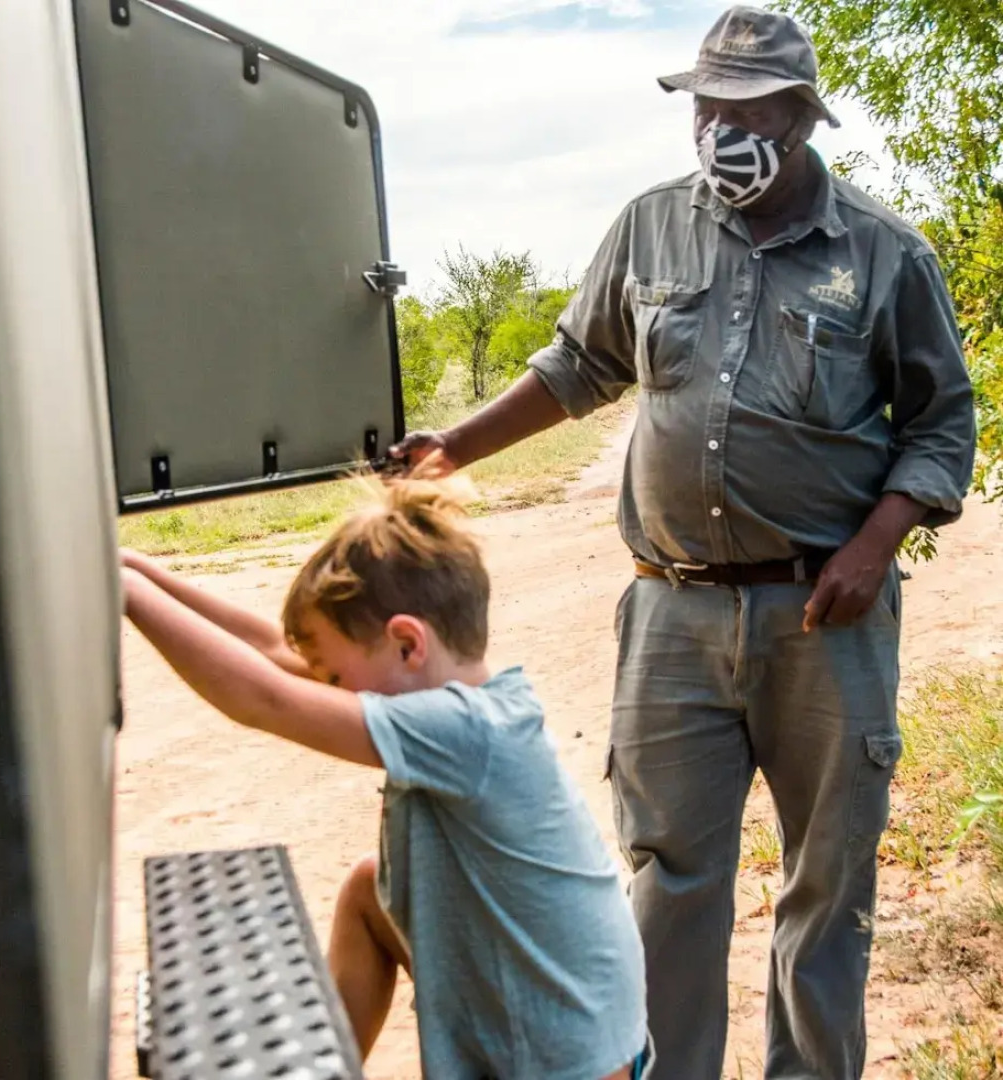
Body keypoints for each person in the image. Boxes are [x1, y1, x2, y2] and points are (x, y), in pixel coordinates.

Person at [390, 6, 976, 1078]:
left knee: (826, 883)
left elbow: (942, 424)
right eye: (704, 107)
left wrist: (875, 545)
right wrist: (454, 447)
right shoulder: (650, 225)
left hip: (824, 614)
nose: (718, 131)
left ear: (799, 118)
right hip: (671, 611)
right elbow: (578, 366)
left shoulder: (882, 252)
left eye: (744, 111)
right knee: (668, 880)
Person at [120, 476, 649, 1080]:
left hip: (566, 1057)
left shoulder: (467, 730)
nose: (328, 689)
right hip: (549, 1006)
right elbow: (272, 651)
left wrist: (129, 595)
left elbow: (264, 698)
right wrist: (136, 566)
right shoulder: (468, 701)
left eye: (335, 678)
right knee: (368, 894)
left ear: (406, 643)